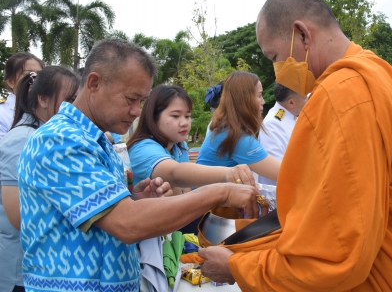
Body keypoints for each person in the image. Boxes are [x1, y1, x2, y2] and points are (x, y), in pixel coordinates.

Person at [198, 0, 392, 291]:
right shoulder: (382, 73)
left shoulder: (344, 93)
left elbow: (335, 255)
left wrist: (237, 266)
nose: (278, 71)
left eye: (274, 56)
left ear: (302, 35)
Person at [17, 39, 261, 292]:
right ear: (94, 83)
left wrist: (134, 200)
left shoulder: (97, 141)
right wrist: (220, 191)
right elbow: (126, 224)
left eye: (142, 101)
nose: (136, 111)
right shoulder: (60, 140)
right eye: (131, 99)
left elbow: (104, 217)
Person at [127, 84, 256, 232]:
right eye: (175, 116)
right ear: (153, 118)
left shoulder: (178, 146)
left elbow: (186, 194)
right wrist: (227, 174)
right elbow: (175, 173)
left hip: (171, 226)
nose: (184, 122)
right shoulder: (142, 148)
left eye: (187, 116)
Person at [0, 66, 80, 292]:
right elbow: (19, 218)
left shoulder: (47, 135)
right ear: (43, 99)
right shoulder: (24, 140)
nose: (77, 107)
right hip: (21, 272)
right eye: (70, 99)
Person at [197, 71, 281, 183]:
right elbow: (284, 173)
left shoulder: (226, 129)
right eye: (260, 95)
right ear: (244, 100)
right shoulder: (236, 137)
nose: (263, 101)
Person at [258, 83, 307, 185]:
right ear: (291, 103)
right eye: (304, 98)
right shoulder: (273, 124)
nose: (307, 101)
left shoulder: (290, 116)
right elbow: (279, 170)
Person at [0, 52, 43, 141]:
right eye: (29, 74)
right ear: (11, 81)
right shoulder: (2, 113)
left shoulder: (46, 108)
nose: (34, 79)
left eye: (39, 74)